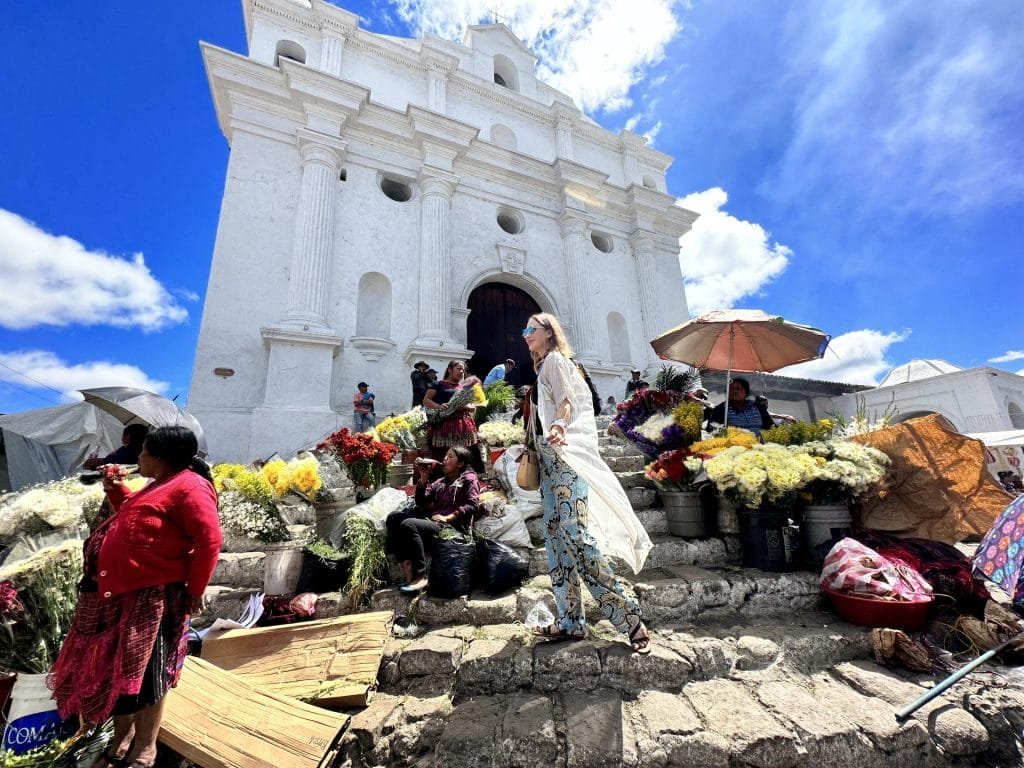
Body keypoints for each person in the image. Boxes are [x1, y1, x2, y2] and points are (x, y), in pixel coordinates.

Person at [49, 426, 221, 768]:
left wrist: (196, 589)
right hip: (115, 597)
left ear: (159, 458)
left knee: (147, 679)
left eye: (142, 453)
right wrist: (116, 491)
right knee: (118, 675)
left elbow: (209, 541)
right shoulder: (158, 485)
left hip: (151, 601)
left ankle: (145, 747)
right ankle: (122, 737)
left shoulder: (191, 487)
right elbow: (137, 515)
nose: (137, 458)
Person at [522, 312, 653, 653]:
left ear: (549, 333)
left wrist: (559, 426)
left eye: (530, 329)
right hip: (549, 463)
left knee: (576, 537)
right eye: (524, 330)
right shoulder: (541, 368)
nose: (525, 335)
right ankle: (570, 621)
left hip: (565, 459)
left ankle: (629, 618)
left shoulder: (554, 361)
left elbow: (567, 402)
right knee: (555, 540)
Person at [386, 446, 480, 594]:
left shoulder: (469, 479)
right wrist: (423, 477)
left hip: (453, 530)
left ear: (461, 463)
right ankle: (408, 574)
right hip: (435, 525)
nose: (445, 459)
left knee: (409, 524)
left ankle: (421, 577)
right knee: (394, 517)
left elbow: (472, 505)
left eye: (450, 457)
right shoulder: (441, 482)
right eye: (445, 456)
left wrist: (448, 517)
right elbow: (421, 502)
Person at [422, 360, 484, 473]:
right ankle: (442, 479)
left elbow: (473, 405)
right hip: (445, 425)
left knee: (466, 452)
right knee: (443, 453)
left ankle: (467, 477)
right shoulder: (438, 384)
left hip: (464, 425)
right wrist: (438, 406)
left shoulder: (465, 388)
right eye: (458, 369)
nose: (461, 372)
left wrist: (468, 407)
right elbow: (426, 400)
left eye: (463, 370)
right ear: (450, 370)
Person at [705, 377, 773, 436]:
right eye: (731, 389)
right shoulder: (720, 409)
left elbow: (771, 427)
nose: (734, 391)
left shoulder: (757, 407)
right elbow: (711, 430)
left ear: (746, 393)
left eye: (738, 389)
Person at [83, 423, 149, 469]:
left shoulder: (131, 450)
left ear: (128, 436)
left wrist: (97, 461)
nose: (122, 437)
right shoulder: (145, 450)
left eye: (123, 434)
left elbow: (116, 462)